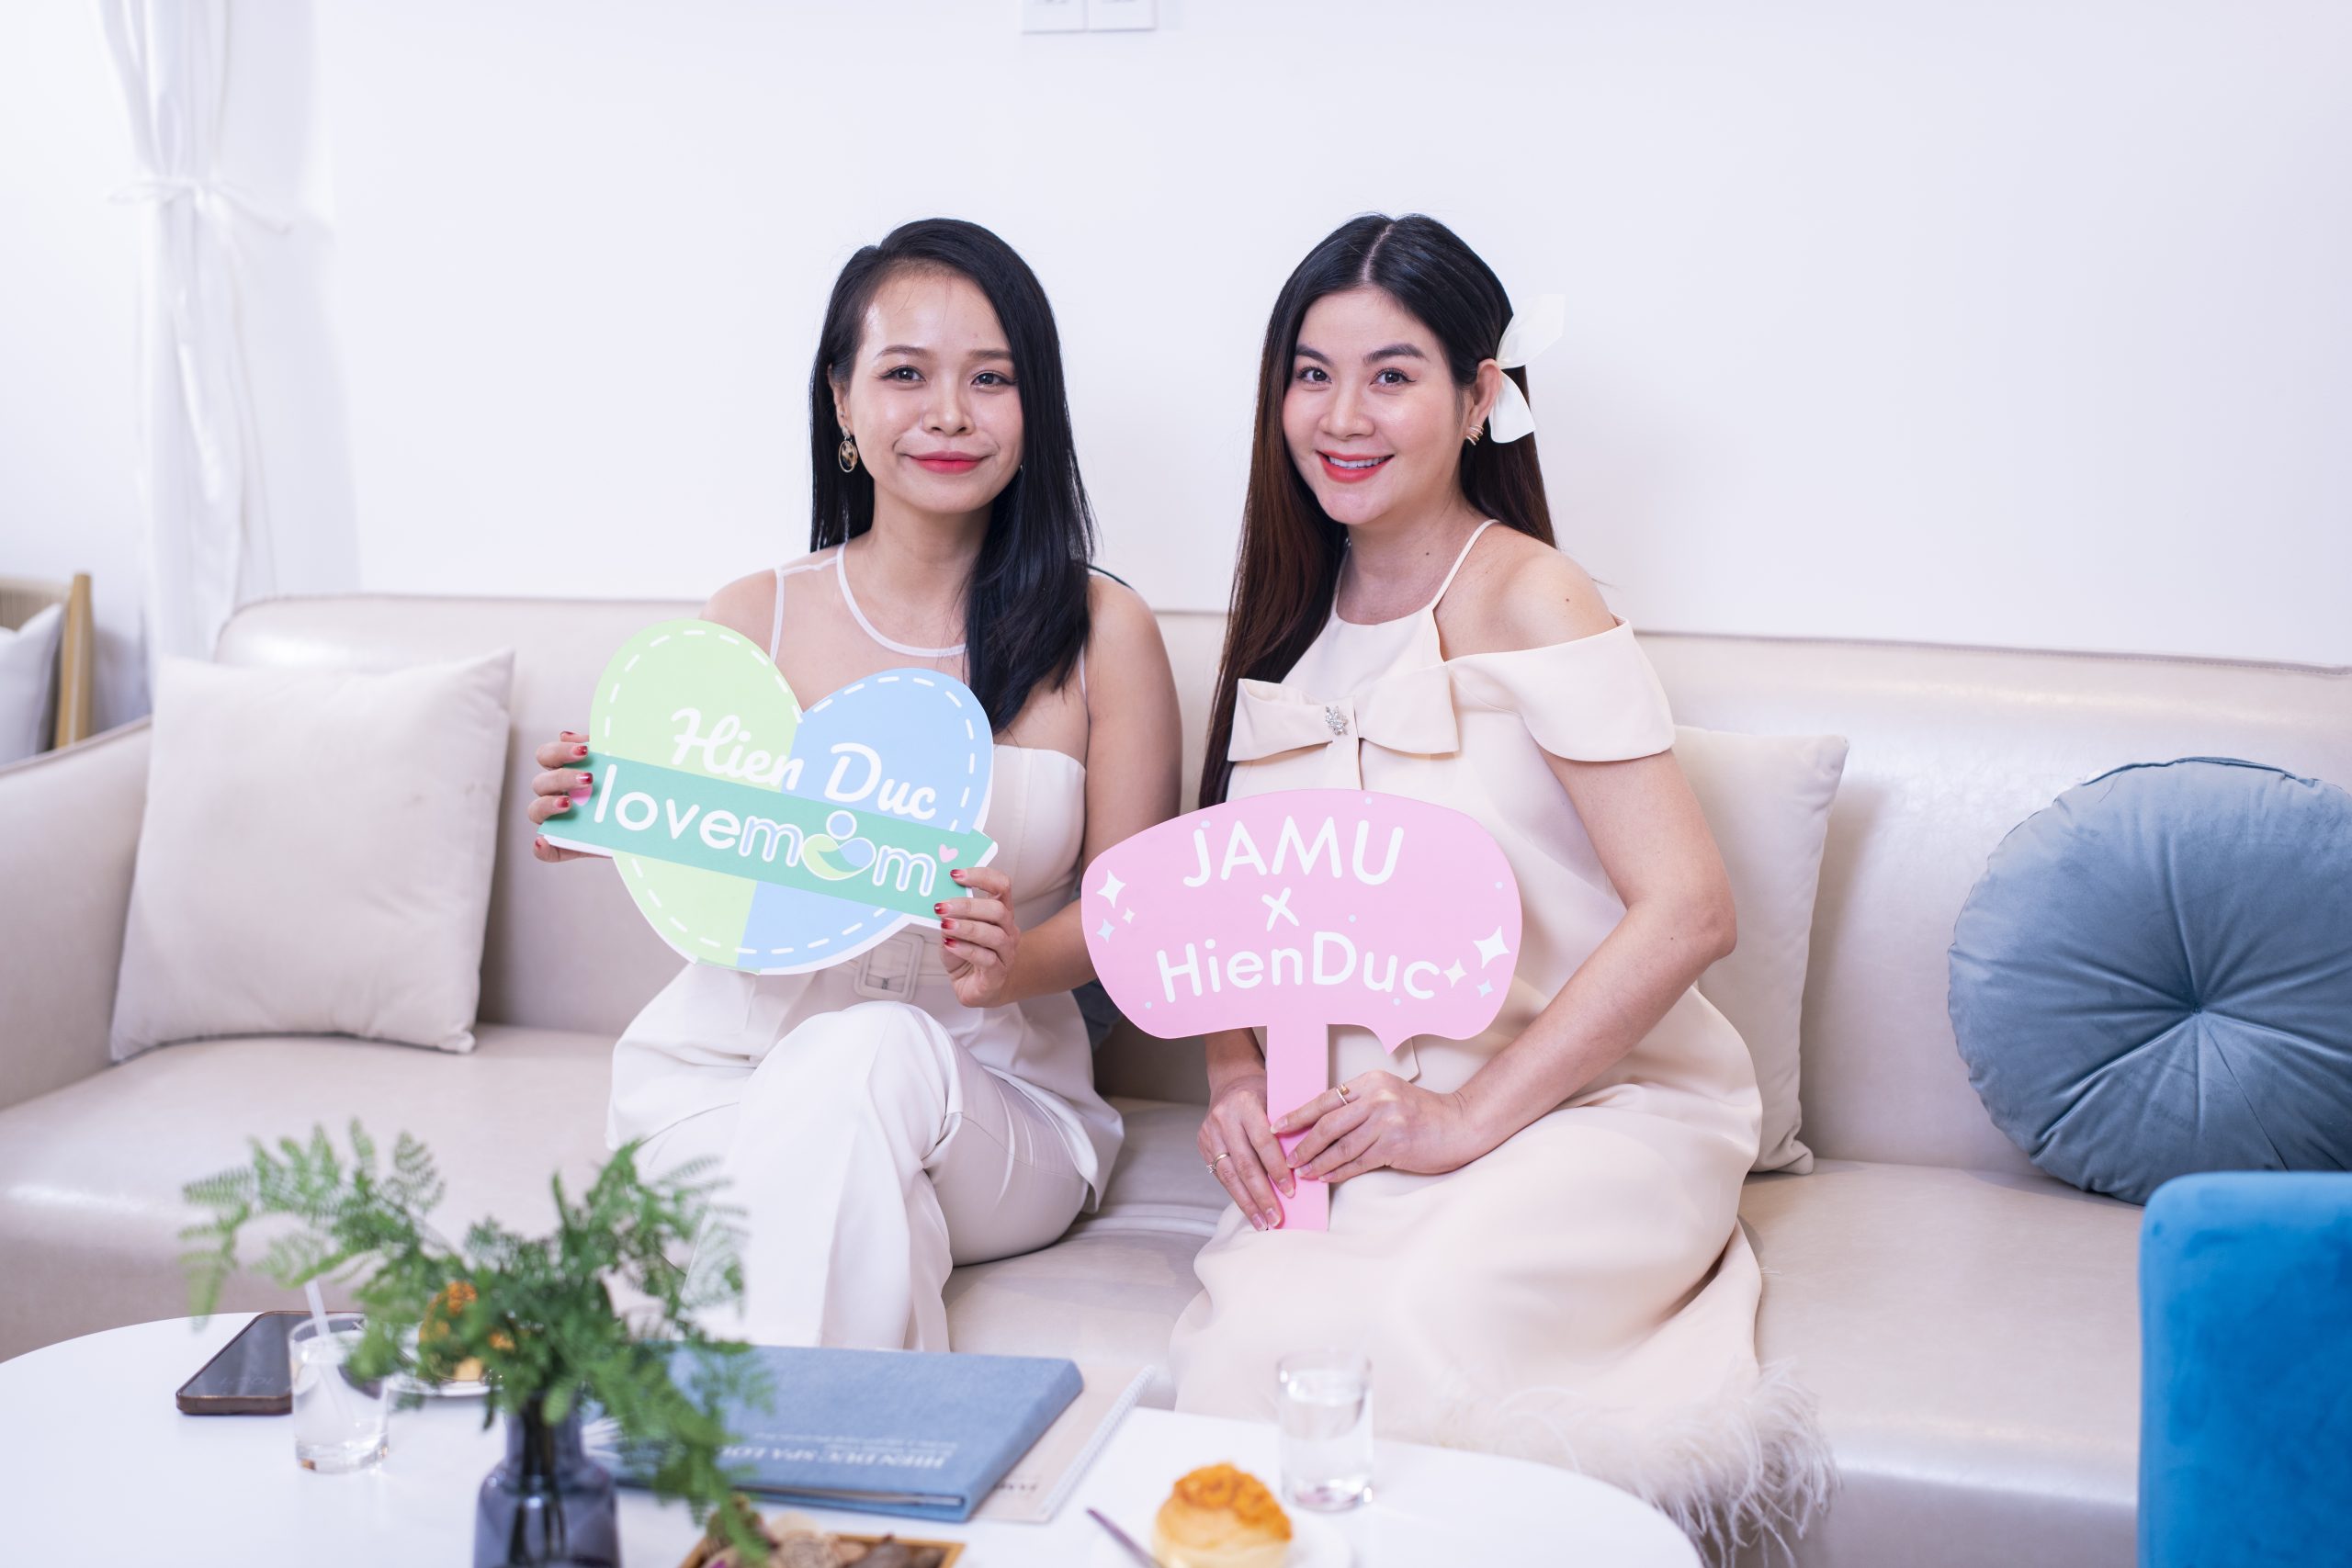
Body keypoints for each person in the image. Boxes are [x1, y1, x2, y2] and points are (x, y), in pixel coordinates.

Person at [1168, 213, 1829, 1556]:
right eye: (1311, 374)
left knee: (1421, 1315)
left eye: (1392, 375)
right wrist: (1236, 1077)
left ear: (1481, 397)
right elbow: (1232, 905)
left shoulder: (1536, 595)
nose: (1341, 416)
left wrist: (1465, 1116)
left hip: (1583, 1107)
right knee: (1267, 1338)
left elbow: (1690, 907)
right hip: (1357, 1131)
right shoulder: (1287, 619)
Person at [525, 219, 1181, 1350]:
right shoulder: (750, 618)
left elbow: (1138, 915)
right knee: (851, 1199)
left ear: (1037, 405)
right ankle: (840, 1450)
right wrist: (606, 817)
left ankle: (738, 1447)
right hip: (727, 1081)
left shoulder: (1103, 631)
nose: (949, 413)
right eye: (905, 374)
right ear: (841, 400)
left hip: (991, 1103)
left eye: (991, 379)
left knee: (865, 1055)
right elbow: (704, 857)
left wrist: (1017, 964)